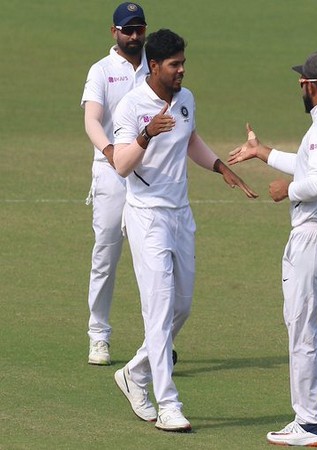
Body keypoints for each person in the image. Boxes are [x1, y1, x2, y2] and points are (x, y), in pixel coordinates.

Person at [112, 28, 257, 432]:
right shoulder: (131, 107)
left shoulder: (187, 100)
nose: (181, 71)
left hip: (180, 214)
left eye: (183, 63)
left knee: (182, 307)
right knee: (158, 312)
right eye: (174, 65)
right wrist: (145, 134)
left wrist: (220, 167)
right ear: (153, 66)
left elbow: (190, 138)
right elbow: (121, 165)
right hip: (146, 216)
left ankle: (134, 373)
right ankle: (168, 404)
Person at [227, 50, 317, 447]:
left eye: (301, 81)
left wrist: (287, 190)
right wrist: (262, 152)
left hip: (313, 237)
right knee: (302, 319)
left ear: (309, 86)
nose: (299, 86)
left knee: (299, 328)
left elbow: (315, 182)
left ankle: (307, 423)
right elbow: (311, 165)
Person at [81, 2, 149, 366]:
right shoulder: (102, 70)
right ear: (114, 32)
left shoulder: (155, 68)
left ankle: (154, 342)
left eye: (139, 29)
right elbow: (92, 119)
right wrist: (109, 151)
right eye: (128, 30)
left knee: (150, 259)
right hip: (110, 173)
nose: (134, 36)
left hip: (148, 176)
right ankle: (98, 334)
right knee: (106, 255)